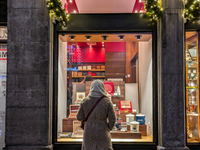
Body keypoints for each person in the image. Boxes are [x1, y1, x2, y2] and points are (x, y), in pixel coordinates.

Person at [77, 80, 116, 150]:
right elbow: (112, 119)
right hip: (103, 131)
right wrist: (108, 128)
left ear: (91, 88)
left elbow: (79, 117)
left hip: (89, 132)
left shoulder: (85, 101)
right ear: (102, 88)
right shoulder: (107, 101)